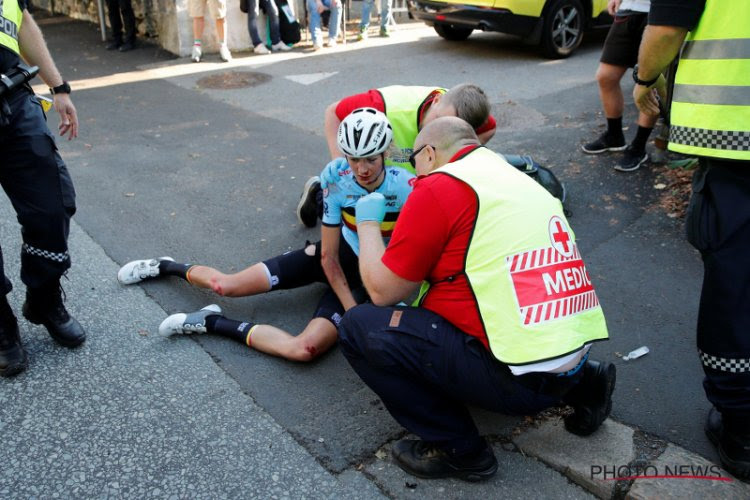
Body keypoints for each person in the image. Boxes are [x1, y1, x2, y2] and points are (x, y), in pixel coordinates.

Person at [338, 117, 614, 481]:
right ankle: (586, 384)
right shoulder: (516, 179)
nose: (414, 172)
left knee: (359, 326)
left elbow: (383, 291)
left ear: (431, 154)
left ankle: (461, 451)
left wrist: (369, 225)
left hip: (518, 384)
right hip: (574, 354)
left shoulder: (438, 186)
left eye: (416, 161)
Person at [117, 109, 414, 362]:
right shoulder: (337, 179)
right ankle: (165, 266)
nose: (361, 169)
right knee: (226, 286)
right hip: (333, 260)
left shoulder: (406, 187)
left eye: (370, 160)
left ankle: (210, 321)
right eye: (352, 159)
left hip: (367, 277)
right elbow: (329, 256)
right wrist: (352, 313)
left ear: (385, 153)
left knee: (305, 350)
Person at [633, 0, 750, 482]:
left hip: (736, 140)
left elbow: (665, 29)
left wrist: (644, 80)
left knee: (735, 286)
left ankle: (742, 428)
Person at [0, 2, 86, 377]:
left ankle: (43, 295)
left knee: (53, 206)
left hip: (14, 99)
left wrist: (59, 86)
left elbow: (21, 22)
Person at [296, 84, 497, 227]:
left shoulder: (469, 113)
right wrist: (340, 162)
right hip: (380, 173)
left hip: (409, 182)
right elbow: (333, 112)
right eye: (438, 120)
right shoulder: (386, 106)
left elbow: (489, 129)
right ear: (436, 100)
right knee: (354, 211)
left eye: (450, 129)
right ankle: (318, 194)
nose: (438, 130)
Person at [581, 0, 656, 172]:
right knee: (606, 77)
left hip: (661, 14)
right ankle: (614, 136)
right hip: (629, 10)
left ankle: (638, 147)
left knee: (650, 81)